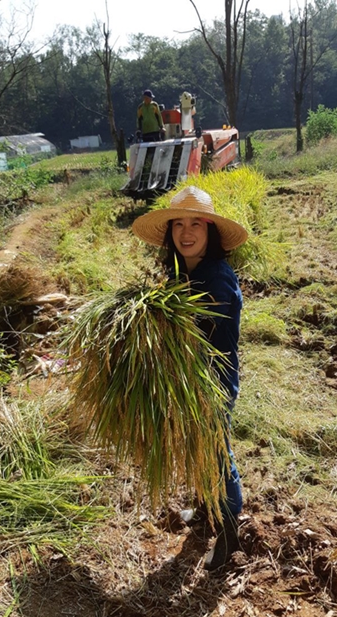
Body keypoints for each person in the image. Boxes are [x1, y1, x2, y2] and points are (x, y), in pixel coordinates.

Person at [132, 186, 248, 571]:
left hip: (213, 384)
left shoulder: (217, 277)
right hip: (186, 383)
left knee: (216, 453)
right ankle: (207, 508)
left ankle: (230, 529)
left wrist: (155, 320)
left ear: (210, 231)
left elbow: (201, 329)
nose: (186, 232)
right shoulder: (179, 270)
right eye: (178, 224)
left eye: (195, 223)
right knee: (195, 446)